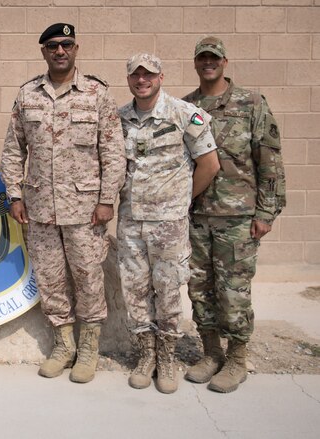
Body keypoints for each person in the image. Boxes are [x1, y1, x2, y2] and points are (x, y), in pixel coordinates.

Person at [0, 23, 126, 383]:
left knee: (88, 278)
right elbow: (13, 149)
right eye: (53, 45)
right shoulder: (27, 95)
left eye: (66, 45)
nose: (60, 51)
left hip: (86, 211)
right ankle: (64, 344)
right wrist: (16, 195)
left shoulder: (96, 94)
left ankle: (88, 349)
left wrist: (106, 200)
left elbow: (113, 151)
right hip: (40, 208)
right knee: (51, 280)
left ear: (75, 48)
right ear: (43, 51)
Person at [182, 37, 286, 393]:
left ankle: (237, 358)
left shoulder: (251, 103)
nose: (208, 63)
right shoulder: (187, 106)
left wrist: (267, 213)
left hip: (238, 217)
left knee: (234, 292)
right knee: (200, 289)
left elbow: (269, 160)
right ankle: (211, 353)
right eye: (202, 58)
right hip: (196, 217)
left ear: (225, 62)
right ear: (196, 63)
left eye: (214, 58)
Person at [118, 53, 221, 394]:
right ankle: (145, 356)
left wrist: (181, 200)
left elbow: (209, 164)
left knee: (168, 292)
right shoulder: (120, 119)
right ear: (130, 79)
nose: (142, 80)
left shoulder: (183, 114)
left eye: (149, 75)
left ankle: (167, 358)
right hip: (131, 222)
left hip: (169, 224)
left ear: (161, 77)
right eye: (136, 75)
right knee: (135, 292)